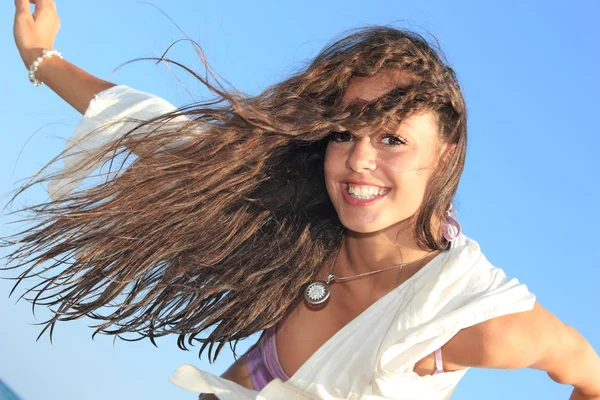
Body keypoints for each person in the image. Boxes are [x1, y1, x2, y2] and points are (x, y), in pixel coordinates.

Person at [7, 1, 600, 399]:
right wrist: (42, 57)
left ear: (444, 156)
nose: (358, 161)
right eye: (344, 133)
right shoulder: (303, 220)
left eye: (392, 139)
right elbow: (157, 127)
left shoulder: (462, 319)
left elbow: (589, 374)